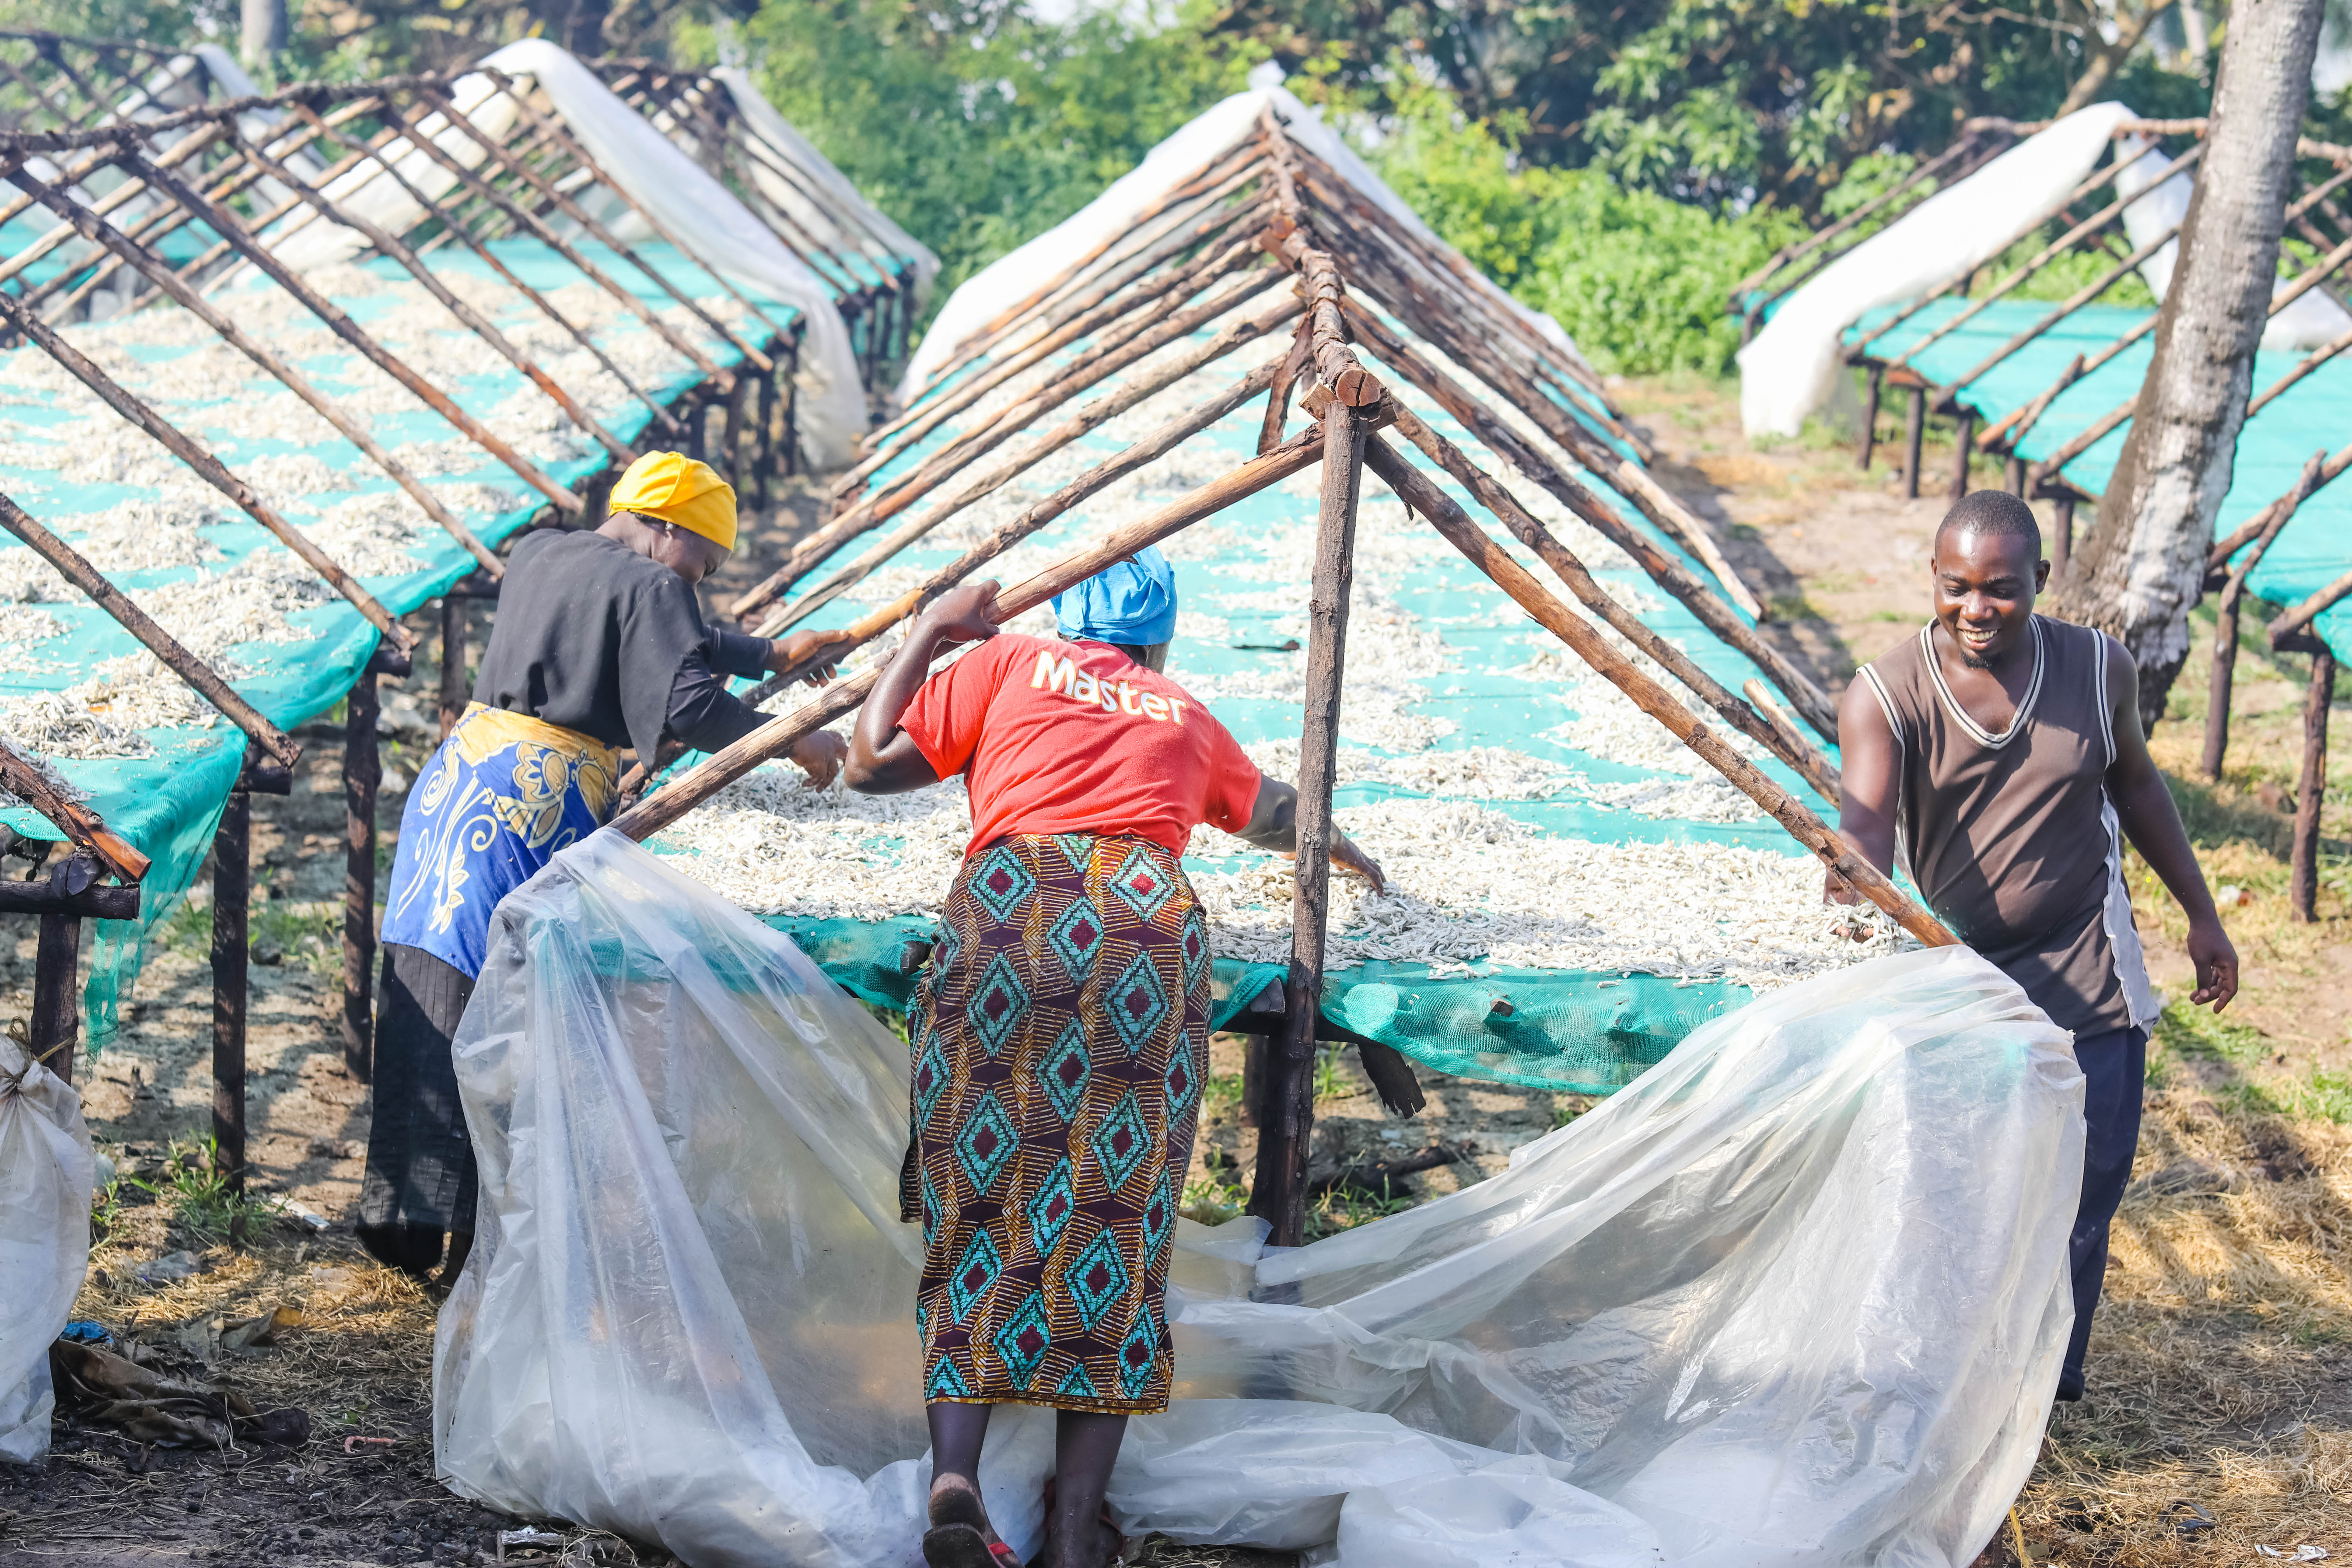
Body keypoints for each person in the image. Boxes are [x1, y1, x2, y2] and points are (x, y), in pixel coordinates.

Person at [845, 549, 1385, 1568]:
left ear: (1070, 619)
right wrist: (1348, 850)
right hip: (1144, 935)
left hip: (1015, 917)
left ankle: (954, 1479)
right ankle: (1071, 1529)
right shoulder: (1179, 713)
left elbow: (869, 763)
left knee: (986, 1204)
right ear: (1160, 636)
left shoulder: (1003, 665)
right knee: (1115, 1221)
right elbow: (1274, 810)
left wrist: (930, 625)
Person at [359, 451, 851, 1280]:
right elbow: (688, 699)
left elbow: (659, 625)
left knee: (430, 972)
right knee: (498, 1005)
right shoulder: (659, 587)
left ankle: (408, 1219)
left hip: (459, 785)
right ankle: (470, 1242)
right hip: (532, 804)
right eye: (708, 559)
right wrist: (794, 734)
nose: (704, 580)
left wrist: (768, 653)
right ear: (669, 529)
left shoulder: (541, 551)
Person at [1828, 489, 2239, 1403]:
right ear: (1935, 583)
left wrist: (2201, 915)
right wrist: (1854, 872)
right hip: (1959, 983)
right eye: (1957, 587)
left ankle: (2049, 1384)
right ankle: (1946, 1380)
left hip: (2090, 968)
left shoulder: (2098, 669)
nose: (1977, 610)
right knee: (1956, 1193)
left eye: (2001, 590)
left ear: (2041, 584)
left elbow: (2137, 788)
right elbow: (1866, 823)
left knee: (2085, 1189)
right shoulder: (1888, 693)